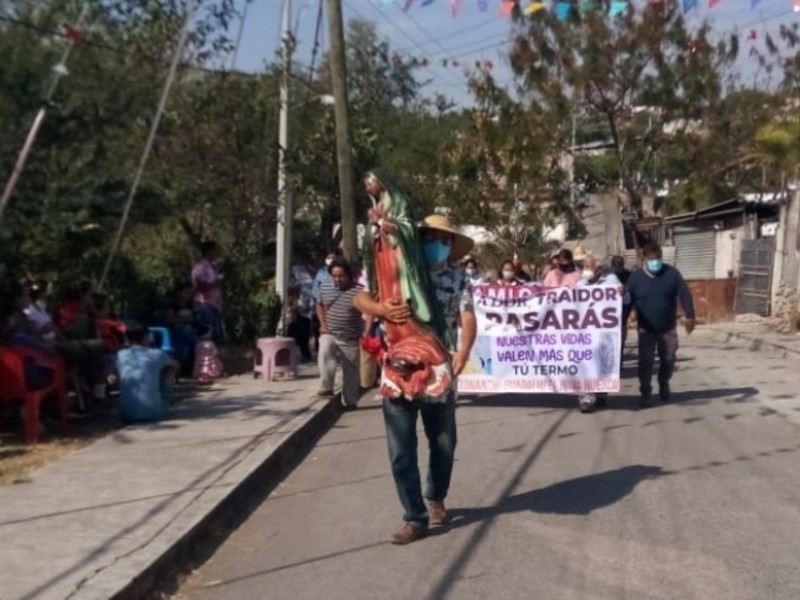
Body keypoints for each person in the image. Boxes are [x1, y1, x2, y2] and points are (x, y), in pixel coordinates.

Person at [355, 207, 477, 546]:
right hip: (397, 372)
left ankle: (435, 496)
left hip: (439, 371)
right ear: (417, 240)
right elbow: (360, 296)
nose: (436, 243)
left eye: (443, 239)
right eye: (430, 237)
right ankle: (414, 517)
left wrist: (463, 353)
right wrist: (381, 309)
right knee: (401, 449)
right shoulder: (394, 272)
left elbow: (468, 316)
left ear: (451, 245)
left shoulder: (458, 277)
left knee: (444, 443)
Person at [626, 242, 696, 407]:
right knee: (645, 362)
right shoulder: (635, 277)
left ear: (661, 257)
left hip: (667, 328)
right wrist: (625, 317)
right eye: (651, 259)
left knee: (669, 359)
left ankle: (663, 382)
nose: (655, 262)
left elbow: (685, 294)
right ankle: (645, 391)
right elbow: (627, 300)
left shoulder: (672, 274)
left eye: (657, 258)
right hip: (646, 329)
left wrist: (690, 316)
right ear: (644, 259)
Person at [575, 255, 629, 413]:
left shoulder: (611, 280)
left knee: (602, 362)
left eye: (590, 265)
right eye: (585, 266)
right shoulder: (579, 284)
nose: (587, 269)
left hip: (604, 332)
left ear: (598, 267)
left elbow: (626, 300)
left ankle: (601, 394)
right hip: (585, 332)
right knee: (585, 362)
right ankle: (585, 396)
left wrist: (623, 292)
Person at [316, 259, 365, 407]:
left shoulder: (359, 291)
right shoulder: (325, 288)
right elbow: (320, 304)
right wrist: (323, 324)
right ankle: (326, 386)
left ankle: (350, 401)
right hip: (330, 332)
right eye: (334, 276)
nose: (337, 279)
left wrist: (367, 331)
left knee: (351, 370)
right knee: (325, 350)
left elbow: (368, 311)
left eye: (341, 276)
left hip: (350, 336)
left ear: (349, 276)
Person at [116, 324, 180, 423]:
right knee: (170, 369)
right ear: (146, 337)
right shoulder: (157, 354)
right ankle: (164, 399)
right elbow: (176, 365)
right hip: (155, 413)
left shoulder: (121, 355)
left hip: (127, 415)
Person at [192, 241, 224, 344]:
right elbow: (199, 285)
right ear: (208, 252)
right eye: (215, 251)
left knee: (216, 333)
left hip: (215, 304)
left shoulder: (213, 267)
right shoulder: (201, 267)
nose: (216, 254)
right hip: (205, 303)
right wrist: (215, 283)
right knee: (208, 333)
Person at [610, 255, 633, 355]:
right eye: (616, 266)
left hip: (624, 307)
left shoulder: (630, 275)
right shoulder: (607, 275)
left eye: (619, 266)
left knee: (621, 334)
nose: (618, 268)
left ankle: (620, 356)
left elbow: (632, 291)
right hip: (609, 310)